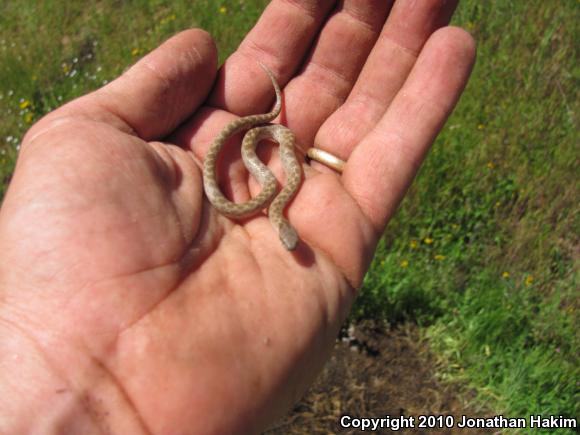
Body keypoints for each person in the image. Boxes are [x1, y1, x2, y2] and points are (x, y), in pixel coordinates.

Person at [0, 0, 475, 433]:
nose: (291, 242)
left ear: (280, 221)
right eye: (289, 237)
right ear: (282, 222)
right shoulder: (273, 186)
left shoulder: (280, 184)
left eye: (288, 239)